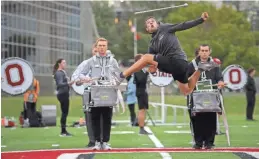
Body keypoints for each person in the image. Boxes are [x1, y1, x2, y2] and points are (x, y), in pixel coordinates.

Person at [111, 12, 218, 96]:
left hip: (178, 60)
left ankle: (121, 76)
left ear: (157, 23)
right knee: (187, 90)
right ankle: (200, 69)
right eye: (148, 24)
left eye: (152, 21)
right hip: (175, 68)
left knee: (146, 57)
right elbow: (151, 63)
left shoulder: (165, 28)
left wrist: (201, 20)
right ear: (147, 30)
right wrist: (152, 69)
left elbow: (183, 25)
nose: (151, 23)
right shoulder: (152, 44)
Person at [72, 37, 120, 150]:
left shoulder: (113, 61)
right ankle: (98, 142)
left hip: (108, 91)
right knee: (95, 117)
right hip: (95, 92)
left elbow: (118, 74)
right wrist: (88, 79)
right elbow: (81, 74)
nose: (102, 48)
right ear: (96, 47)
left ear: (107, 47)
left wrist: (115, 81)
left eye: (104, 45)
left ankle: (106, 142)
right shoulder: (90, 61)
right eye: (100, 46)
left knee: (107, 117)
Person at [187, 44, 226, 149]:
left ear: (210, 52)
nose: (204, 52)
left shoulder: (215, 64)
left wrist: (221, 82)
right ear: (199, 52)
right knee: (197, 120)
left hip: (211, 96)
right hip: (195, 96)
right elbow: (186, 79)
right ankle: (198, 142)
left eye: (206, 50)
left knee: (210, 119)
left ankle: (209, 142)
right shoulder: (192, 64)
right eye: (202, 50)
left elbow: (219, 77)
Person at [53, 58, 75, 136]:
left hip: (64, 93)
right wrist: (69, 83)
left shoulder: (62, 72)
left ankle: (64, 130)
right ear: (59, 64)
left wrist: (69, 84)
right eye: (64, 63)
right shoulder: (59, 73)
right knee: (64, 113)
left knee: (65, 112)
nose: (65, 64)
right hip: (63, 94)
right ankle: (63, 131)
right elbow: (59, 84)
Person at [133, 54, 152, 135]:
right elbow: (140, 80)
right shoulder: (137, 69)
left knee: (143, 109)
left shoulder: (141, 69)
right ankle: (141, 128)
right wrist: (147, 73)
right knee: (142, 109)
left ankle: (142, 126)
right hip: (140, 91)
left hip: (143, 91)